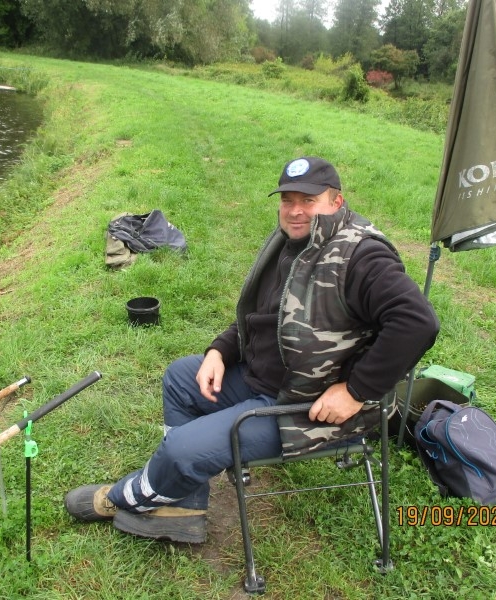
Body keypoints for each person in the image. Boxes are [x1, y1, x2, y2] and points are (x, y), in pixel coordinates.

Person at [65, 156, 439, 543]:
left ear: (336, 202)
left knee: (181, 449)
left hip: (306, 407)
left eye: (309, 201)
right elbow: (262, 316)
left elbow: (417, 322)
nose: (295, 210)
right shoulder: (293, 242)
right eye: (288, 200)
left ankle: (122, 497)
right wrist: (220, 352)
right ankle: (181, 505)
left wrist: (356, 391)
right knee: (180, 378)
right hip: (265, 379)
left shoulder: (361, 255)